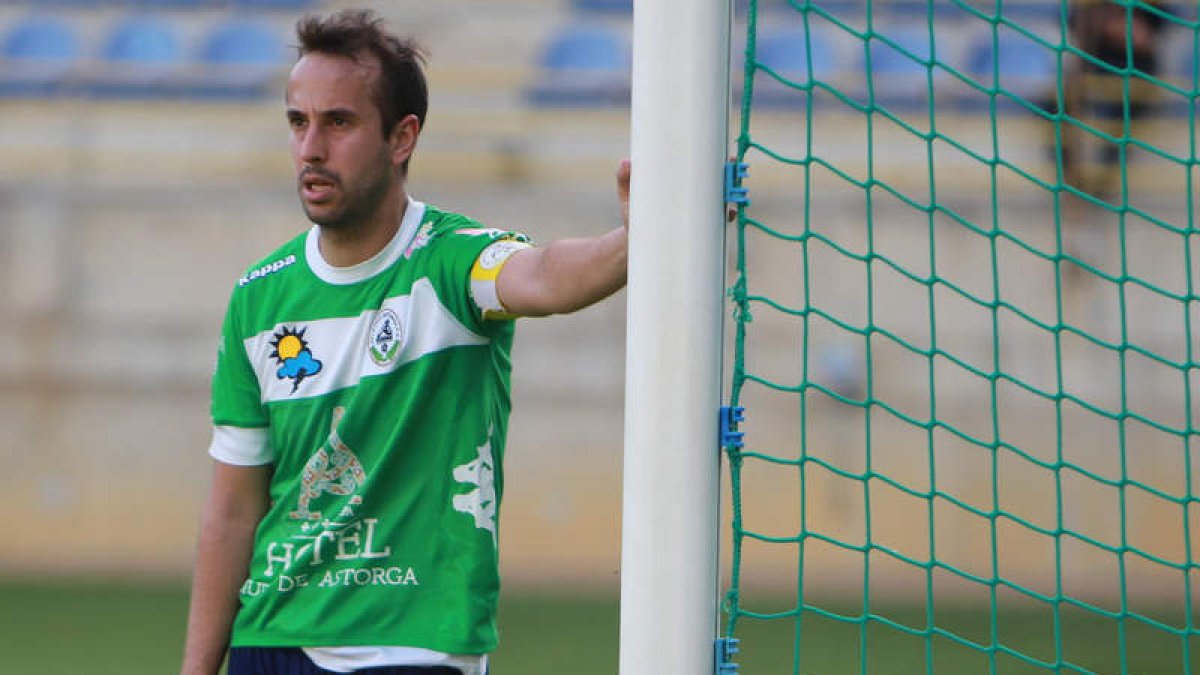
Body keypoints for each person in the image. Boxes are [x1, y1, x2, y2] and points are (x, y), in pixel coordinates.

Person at [180, 9, 630, 675]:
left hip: (411, 647)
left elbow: (545, 275)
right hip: (270, 639)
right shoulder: (259, 298)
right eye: (298, 122)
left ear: (402, 137)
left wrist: (639, 239)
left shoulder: (451, 263)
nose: (310, 148)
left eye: (338, 122)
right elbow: (232, 512)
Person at [1054, 0, 1172, 198]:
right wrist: (1108, 26)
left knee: (1125, 117)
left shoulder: (1151, 6)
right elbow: (1071, 22)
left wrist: (1133, 32)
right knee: (1054, 108)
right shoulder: (1088, 5)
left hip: (1136, 69)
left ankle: (1104, 180)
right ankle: (1070, 179)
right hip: (1092, 65)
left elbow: (1152, 31)